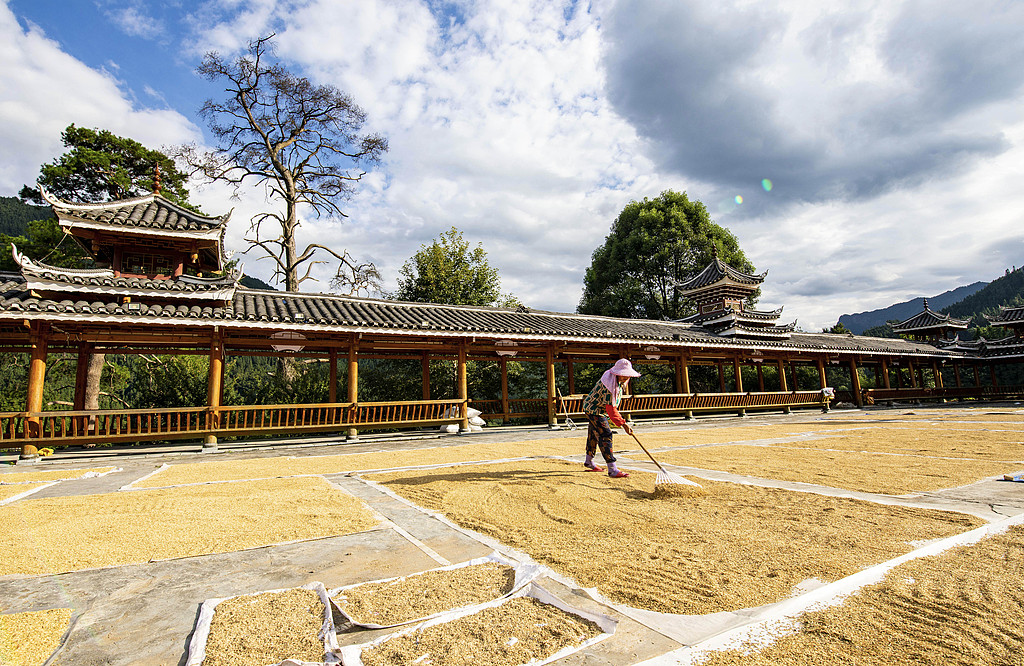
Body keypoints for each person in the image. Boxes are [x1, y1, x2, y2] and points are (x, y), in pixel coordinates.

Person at [581, 358, 641, 478]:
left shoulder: (616, 381)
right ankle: (612, 469)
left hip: (597, 409)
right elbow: (611, 410)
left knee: (593, 434)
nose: (625, 377)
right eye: (623, 375)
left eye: (627, 375)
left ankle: (589, 461)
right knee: (606, 434)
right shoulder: (609, 386)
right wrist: (624, 424)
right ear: (617, 373)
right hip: (594, 410)